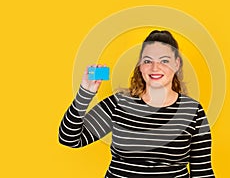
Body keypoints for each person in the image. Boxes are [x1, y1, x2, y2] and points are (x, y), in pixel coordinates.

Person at [58, 30, 215, 178]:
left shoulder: (193, 111)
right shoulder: (119, 103)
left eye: (164, 61)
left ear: (177, 64)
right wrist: (85, 93)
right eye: (148, 60)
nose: (155, 68)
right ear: (140, 65)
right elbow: (69, 138)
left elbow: (202, 171)